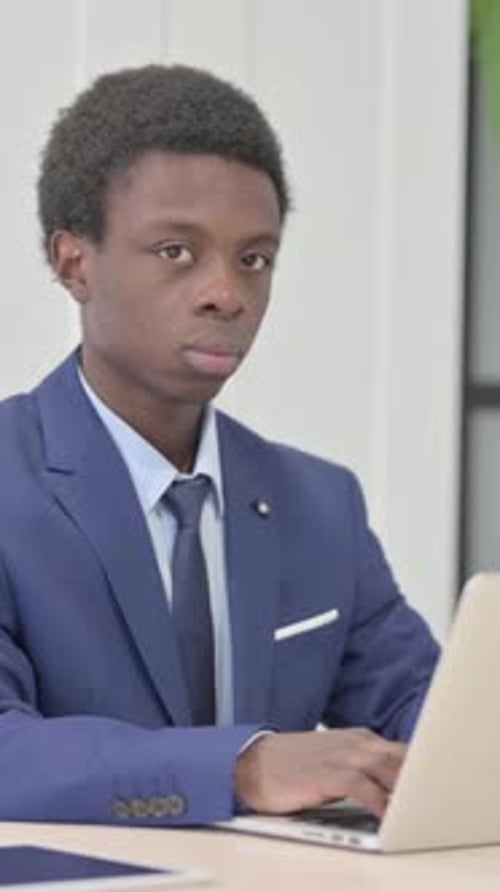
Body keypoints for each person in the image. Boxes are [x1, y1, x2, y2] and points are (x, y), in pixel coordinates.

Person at [0, 64, 439, 827]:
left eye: (254, 258)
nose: (227, 293)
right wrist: (244, 766)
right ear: (75, 263)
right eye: (177, 251)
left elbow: (423, 712)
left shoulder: (319, 504)